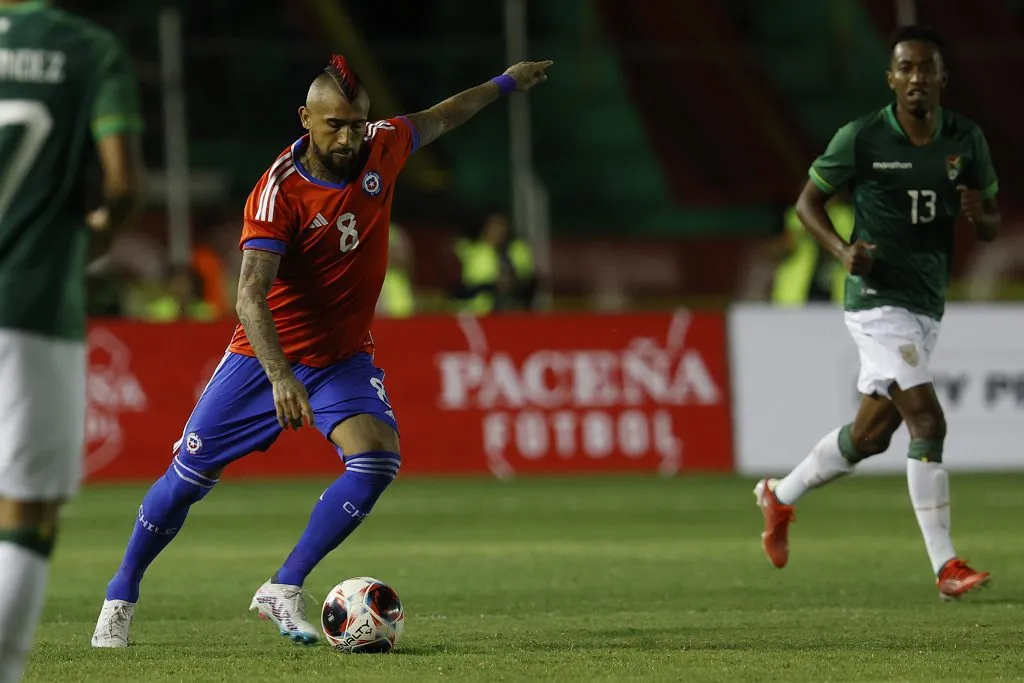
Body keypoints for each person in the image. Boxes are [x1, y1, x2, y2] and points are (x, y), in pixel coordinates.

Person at [92, 53, 552, 647]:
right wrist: (282, 377)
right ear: (305, 118)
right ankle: (121, 591)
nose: (348, 136)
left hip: (341, 357)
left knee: (377, 459)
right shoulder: (277, 193)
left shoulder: (383, 146)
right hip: (263, 360)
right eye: (335, 124)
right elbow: (250, 297)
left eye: (357, 124)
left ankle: (283, 586)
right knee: (185, 481)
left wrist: (505, 82)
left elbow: (444, 115)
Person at [754, 25, 999, 600]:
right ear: (890, 78)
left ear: (943, 78)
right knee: (929, 422)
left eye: (926, 69)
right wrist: (843, 251)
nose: (917, 79)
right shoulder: (862, 137)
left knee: (870, 437)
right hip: (875, 303)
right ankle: (946, 567)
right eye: (906, 69)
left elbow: (988, 225)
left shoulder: (967, 139)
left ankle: (780, 495)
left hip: (925, 304)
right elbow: (806, 202)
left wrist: (978, 216)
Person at [0, 1, 144, 679]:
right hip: (29, 302)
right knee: (27, 511)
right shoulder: (86, 50)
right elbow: (120, 183)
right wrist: (91, 233)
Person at [770, 199, 854, 306]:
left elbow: (850, 251)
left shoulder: (844, 215)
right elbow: (773, 251)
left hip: (835, 295)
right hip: (796, 296)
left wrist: (822, 236)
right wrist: (789, 241)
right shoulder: (797, 213)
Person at [454, 212, 536, 314]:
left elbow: (529, 281)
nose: (499, 232)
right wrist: (493, 286)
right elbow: (466, 287)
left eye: (501, 227)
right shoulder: (472, 252)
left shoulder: (519, 250)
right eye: (494, 227)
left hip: (512, 309)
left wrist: (513, 283)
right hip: (478, 312)